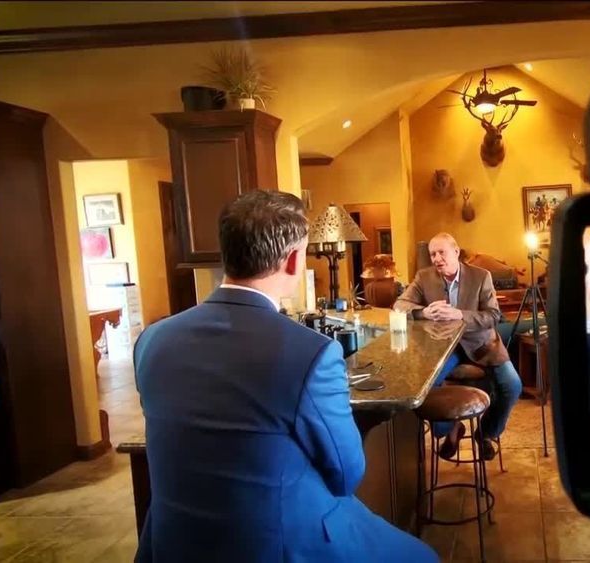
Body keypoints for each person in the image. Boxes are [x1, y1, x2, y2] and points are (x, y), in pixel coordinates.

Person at [134, 191, 436, 562]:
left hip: (172, 542)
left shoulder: (151, 340)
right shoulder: (311, 353)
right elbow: (346, 473)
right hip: (273, 545)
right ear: (293, 260)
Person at [394, 232, 522, 461]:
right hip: (444, 348)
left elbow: (493, 316)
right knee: (423, 387)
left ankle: (486, 433)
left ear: (456, 251)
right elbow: (399, 305)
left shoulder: (481, 276)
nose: (436, 258)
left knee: (512, 386)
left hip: (483, 345)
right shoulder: (424, 277)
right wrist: (423, 312)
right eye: (433, 254)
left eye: (441, 252)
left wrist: (460, 315)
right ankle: (451, 428)